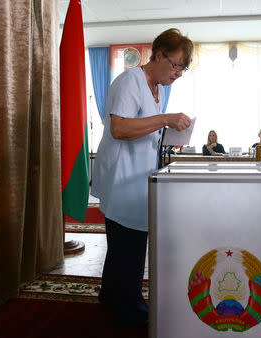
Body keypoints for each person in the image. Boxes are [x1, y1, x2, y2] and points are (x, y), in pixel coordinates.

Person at [91, 28, 193, 327]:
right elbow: (120, 129)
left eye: (183, 69)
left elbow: (143, 127)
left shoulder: (157, 89)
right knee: (131, 244)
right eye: (175, 65)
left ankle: (110, 295)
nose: (178, 74)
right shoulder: (130, 80)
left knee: (122, 243)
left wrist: (170, 132)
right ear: (158, 54)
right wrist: (165, 119)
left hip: (137, 175)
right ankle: (130, 310)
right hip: (123, 177)